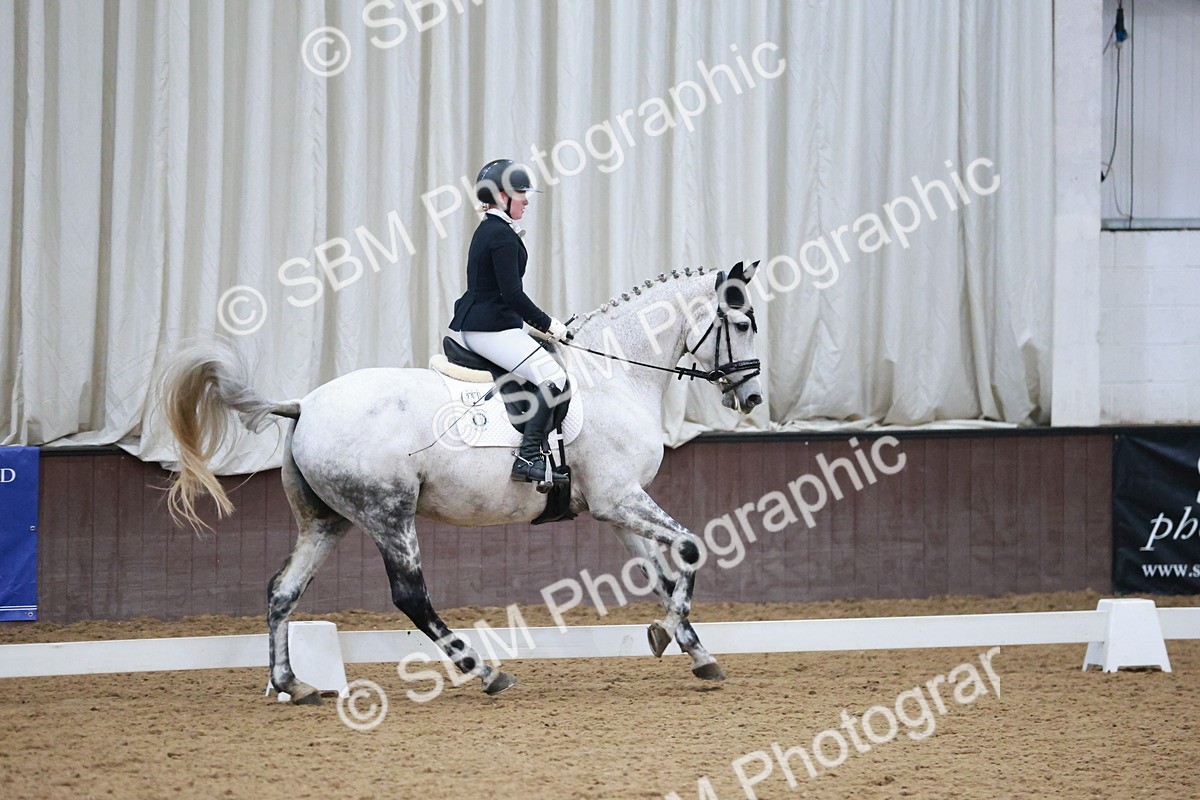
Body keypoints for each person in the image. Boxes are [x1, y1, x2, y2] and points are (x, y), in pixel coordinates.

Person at [448, 159, 571, 487]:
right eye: (521, 193)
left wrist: (527, 325)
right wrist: (549, 325)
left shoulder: (492, 229)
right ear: (501, 196)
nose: (527, 200)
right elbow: (513, 294)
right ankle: (528, 457)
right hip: (489, 329)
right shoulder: (499, 236)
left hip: (489, 323)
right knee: (554, 377)